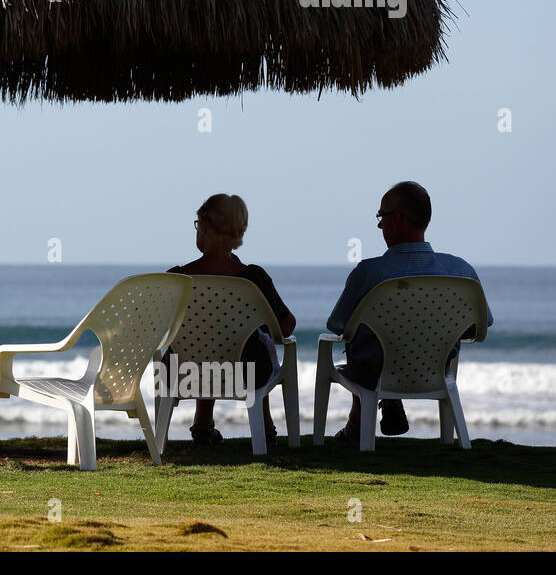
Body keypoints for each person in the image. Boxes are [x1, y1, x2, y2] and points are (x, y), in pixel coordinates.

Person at [325, 181, 493, 441]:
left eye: (382, 216)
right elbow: (478, 328)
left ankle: (359, 422)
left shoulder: (369, 273)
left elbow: (338, 326)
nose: (380, 225)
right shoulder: (461, 271)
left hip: (374, 373)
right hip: (436, 370)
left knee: (358, 338)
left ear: (399, 219)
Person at [167, 193, 296, 444]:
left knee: (203, 336)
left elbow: (157, 329)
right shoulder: (253, 278)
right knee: (255, 339)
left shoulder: (177, 278)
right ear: (240, 233)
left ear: (203, 227)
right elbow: (286, 326)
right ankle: (265, 428)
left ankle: (202, 425)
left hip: (179, 372)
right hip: (247, 374)